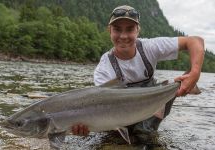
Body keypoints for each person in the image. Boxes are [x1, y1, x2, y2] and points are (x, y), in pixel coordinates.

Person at [71, 5, 204, 143]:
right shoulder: (103, 69)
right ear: (109, 30)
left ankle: (146, 132)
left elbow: (195, 41)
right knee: (115, 139)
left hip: (152, 104)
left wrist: (194, 75)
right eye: (117, 29)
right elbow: (103, 108)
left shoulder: (149, 47)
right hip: (119, 112)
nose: (123, 36)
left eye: (130, 29)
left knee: (143, 136)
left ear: (138, 31)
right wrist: (86, 123)